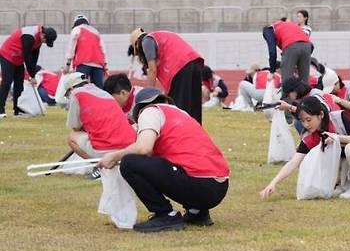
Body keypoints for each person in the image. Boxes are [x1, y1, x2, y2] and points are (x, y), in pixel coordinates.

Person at [97, 88, 230, 233]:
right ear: (166, 100)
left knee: (130, 163)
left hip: (198, 184)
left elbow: (143, 148)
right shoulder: (182, 114)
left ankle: (165, 214)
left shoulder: (150, 111)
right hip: (219, 186)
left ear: (139, 109)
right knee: (171, 162)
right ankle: (197, 212)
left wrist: (114, 156)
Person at [259, 96, 350, 200]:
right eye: (303, 121)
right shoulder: (312, 135)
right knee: (328, 152)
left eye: (309, 120)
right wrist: (273, 183)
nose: (306, 124)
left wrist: (336, 137)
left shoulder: (340, 117)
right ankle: (342, 185)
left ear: (321, 115)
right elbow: (294, 162)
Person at [64, 72, 137, 179]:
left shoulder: (76, 94)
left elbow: (75, 127)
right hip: (129, 147)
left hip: (106, 149)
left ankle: (100, 165)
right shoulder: (104, 93)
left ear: (70, 89)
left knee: (71, 137)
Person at [130, 28, 204, 124]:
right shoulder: (159, 37)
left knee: (178, 108)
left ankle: (180, 134)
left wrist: (149, 95)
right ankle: (196, 134)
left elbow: (152, 70)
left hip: (180, 67)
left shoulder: (146, 41)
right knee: (194, 108)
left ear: (137, 44)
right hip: (194, 62)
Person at [0, 25, 57, 118]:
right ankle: (0, 110)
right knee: (6, 82)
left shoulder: (39, 40)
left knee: (19, 84)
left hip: (18, 59)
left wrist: (32, 74)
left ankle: (17, 110)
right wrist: (32, 76)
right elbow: (28, 57)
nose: (45, 42)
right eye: (46, 40)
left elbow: (34, 57)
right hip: (8, 55)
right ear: (43, 35)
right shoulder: (29, 36)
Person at [262, 19, 313, 83]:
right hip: (307, 46)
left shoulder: (268, 30)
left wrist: (272, 71)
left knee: (286, 82)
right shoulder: (288, 26)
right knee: (304, 82)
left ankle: (286, 93)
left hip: (291, 46)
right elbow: (312, 46)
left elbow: (272, 51)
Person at [64, 15, 107, 88]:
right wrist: (106, 65)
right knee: (98, 89)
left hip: (83, 64)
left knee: (80, 85)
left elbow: (71, 47)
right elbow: (103, 49)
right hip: (98, 65)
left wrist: (67, 66)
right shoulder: (95, 31)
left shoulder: (76, 29)